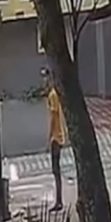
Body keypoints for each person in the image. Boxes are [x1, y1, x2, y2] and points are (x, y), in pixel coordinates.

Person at [42, 68, 66, 211]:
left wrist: (49, 137)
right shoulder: (54, 94)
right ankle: (58, 200)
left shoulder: (52, 95)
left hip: (56, 137)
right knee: (56, 170)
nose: (44, 81)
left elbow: (53, 118)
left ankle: (59, 201)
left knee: (56, 170)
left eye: (46, 78)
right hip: (58, 136)